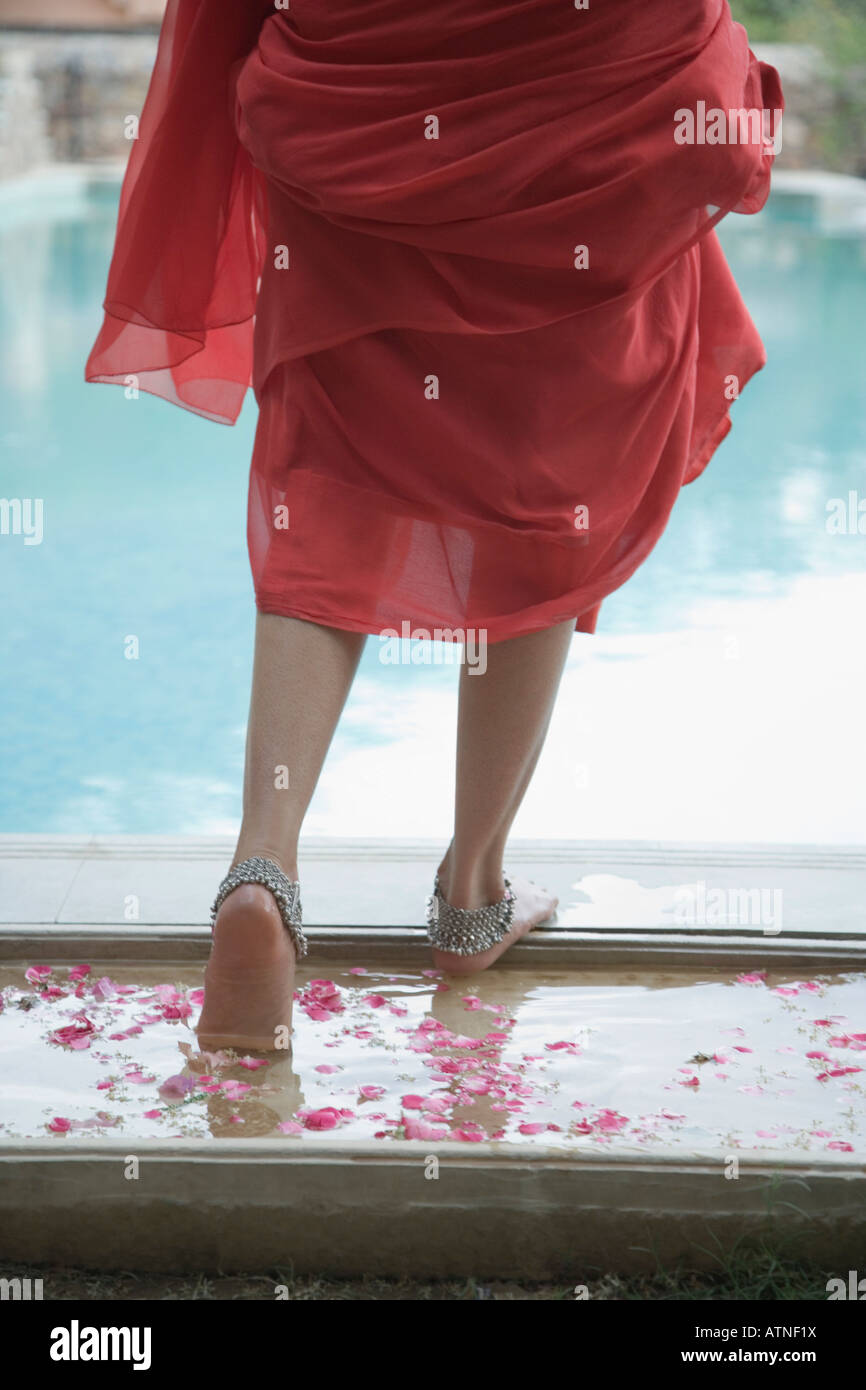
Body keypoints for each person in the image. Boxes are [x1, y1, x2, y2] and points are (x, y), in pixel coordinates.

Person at [85, 0, 783, 1050]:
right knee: (549, 490)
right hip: (591, 101)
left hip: (364, 98)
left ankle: (261, 871)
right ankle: (471, 892)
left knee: (323, 485)